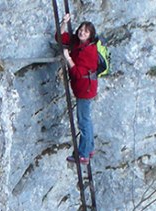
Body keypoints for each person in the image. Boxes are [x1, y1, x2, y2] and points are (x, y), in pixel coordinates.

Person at [57, 13, 99, 164]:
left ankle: (83, 154)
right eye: (81, 29)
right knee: (86, 120)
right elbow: (60, 38)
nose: (82, 32)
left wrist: (68, 58)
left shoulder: (89, 51)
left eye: (86, 31)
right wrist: (64, 22)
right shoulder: (78, 43)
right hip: (85, 88)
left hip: (84, 89)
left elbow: (77, 74)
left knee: (83, 122)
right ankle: (90, 148)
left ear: (90, 35)